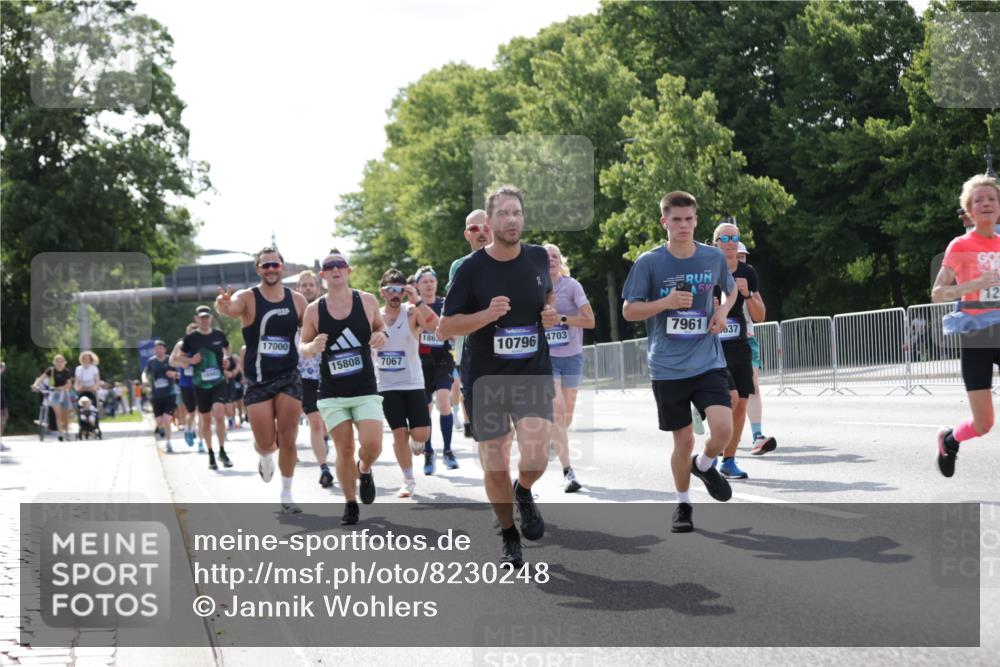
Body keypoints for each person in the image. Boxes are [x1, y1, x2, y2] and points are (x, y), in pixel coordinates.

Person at [438, 185, 556, 568]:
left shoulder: (539, 258)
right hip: (485, 378)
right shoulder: (471, 269)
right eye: (503, 214)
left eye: (517, 213)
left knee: (536, 457)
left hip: (532, 372)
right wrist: (486, 316)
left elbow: (547, 296)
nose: (511, 220)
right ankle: (509, 535)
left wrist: (550, 313)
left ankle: (523, 491)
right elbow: (445, 327)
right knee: (494, 460)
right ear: (488, 224)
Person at [621, 190, 737, 534]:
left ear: (696, 220)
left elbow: (730, 290)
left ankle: (703, 465)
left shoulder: (712, 257)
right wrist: (666, 302)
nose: (683, 225)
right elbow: (629, 310)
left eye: (689, 219)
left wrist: (721, 311)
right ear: (664, 222)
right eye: (676, 220)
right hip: (668, 367)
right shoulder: (649, 262)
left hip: (707, 360)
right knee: (682, 440)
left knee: (723, 429)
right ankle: (683, 504)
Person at [216, 246, 307, 512]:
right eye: (265, 266)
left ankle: (287, 492)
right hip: (258, 380)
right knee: (267, 443)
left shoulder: (297, 300)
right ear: (258, 270)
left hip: (289, 375)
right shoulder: (248, 297)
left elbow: (311, 327)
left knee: (288, 437)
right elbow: (229, 309)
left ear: (283, 267)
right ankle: (265, 457)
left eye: (274, 265)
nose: (270, 269)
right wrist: (221, 304)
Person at [300, 249, 387, 525]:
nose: (335, 269)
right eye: (329, 266)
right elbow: (303, 346)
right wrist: (312, 346)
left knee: (372, 445)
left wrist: (380, 335)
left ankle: (365, 469)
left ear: (348, 270)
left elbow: (380, 326)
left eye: (340, 264)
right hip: (332, 393)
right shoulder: (315, 310)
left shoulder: (367, 300)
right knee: (344, 448)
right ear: (323, 275)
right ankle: (350, 504)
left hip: (364, 388)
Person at [932, 174, 1000, 477]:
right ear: (969, 212)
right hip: (977, 338)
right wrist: (974, 283)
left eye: (992, 198)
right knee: (984, 424)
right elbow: (938, 294)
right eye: (979, 200)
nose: (986, 203)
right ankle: (950, 439)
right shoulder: (960, 246)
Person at [375, 268, 440, 497]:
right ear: (383, 292)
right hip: (386, 385)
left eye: (399, 289)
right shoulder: (374, 316)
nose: (395, 294)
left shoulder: (412, 312)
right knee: (399, 433)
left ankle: (418, 442)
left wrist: (418, 300)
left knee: (420, 434)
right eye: (390, 289)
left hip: (412, 382)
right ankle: (408, 479)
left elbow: (436, 326)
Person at [712, 222, 766, 479]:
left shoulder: (748, 272)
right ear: (716, 243)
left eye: (734, 237)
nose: (731, 242)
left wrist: (746, 294)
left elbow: (760, 315)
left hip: (739, 345)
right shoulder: (707, 271)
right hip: (713, 347)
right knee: (727, 398)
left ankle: (728, 461)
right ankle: (711, 453)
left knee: (741, 402)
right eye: (725, 238)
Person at [543, 243, 595, 493]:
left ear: (560, 261)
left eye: (554, 256)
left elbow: (590, 320)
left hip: (572, 355)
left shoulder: (571, 286)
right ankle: (568, 471)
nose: (550, 260)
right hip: (547, 358)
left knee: (567, 415)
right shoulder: (535, 288)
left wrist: (562, 319)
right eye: (546, 257)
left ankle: (555, 440)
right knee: (557, 411)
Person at [448, 209, 493, 439]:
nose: (481, 232)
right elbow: (453, 310)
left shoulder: (516, 259)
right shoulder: (460, 266)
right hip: (474, 349)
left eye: (485, 227)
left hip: (512, 352)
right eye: (475, 229)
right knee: (487, 433)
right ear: (468, 235)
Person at [177, 305, 232, 471]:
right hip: (200, 384)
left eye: (207, 317)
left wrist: (227, 357)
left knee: (219, 414)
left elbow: (227, 347)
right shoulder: (191, 338)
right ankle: (211, 453)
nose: (204, 320)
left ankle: (222, 450)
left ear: (211, 319)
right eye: (201, 317)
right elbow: (179, 357)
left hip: (218, 381)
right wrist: (191, 360)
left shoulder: (218, 335)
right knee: (206, 421)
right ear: (196, 319)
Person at [416, 265, 458, 473]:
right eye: (424, 281)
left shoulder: (444, 304)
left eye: (432, 280)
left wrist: (448, 333)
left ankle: (448, 451)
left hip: (443, 360)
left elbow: (455, 332)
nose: (429, 284)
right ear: (418, 286)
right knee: (426, 408)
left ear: (436, 284)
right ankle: (429, 452)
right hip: (421, 363)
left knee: (443, 401)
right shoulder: (413, 308)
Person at [736, 243, 777, 455]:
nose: (741, 260)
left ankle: (757, 436)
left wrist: (748, 294)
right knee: (725, 393)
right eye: (737, 256)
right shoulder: (712, 275)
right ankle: (701, 411)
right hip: (718, 341)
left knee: (753, 387)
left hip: (746, 339)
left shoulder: (749, 278)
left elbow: (760, 315)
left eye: (744, 256)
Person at [295, 270, 333, 488]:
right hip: (304, 376)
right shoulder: (292, 315)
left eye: (311, 285)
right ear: (298, 289)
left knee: (328, 422)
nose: (307, 288)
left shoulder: (327, 310)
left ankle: (325, 441)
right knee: (316, 422)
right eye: (304, 285)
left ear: (318, 288)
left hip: (329, 373)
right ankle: (324, 468)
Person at [143, 340, 179, 452]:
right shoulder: (151, 361)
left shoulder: (170, 360)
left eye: (160, 348)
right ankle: (160, 428)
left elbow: (179, 374)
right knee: (159, 421)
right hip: (156, 395)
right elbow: (145, 372)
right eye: (156, 348)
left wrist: (174, 374)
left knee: (167, 419)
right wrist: (144, 379)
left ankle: (168, 443)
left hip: (169, 393)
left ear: (165, 349)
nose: (158, 350)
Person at [170, 323, 201, 450]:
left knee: (202, 412)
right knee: (191, 411)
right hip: (186, 383)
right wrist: (183, 364)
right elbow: (171, 361)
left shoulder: (202, 344)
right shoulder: (181, 345)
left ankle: (201, 442)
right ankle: (189, 429)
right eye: (190, 333)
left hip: (201, 382)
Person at [34, 355, 74, 441]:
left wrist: (62, 388)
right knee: (58, 414)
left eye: (61, 361)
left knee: (65, 416)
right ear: (54, 362)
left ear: (64, 363)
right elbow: (41, 378)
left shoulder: (66, 372)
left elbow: (69, 384)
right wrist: (35, 385)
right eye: (57, 361)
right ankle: (60, 433)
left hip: (64, 394)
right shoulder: (50, 370)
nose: (59, 363)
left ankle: (66, 431)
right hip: (53, 394)